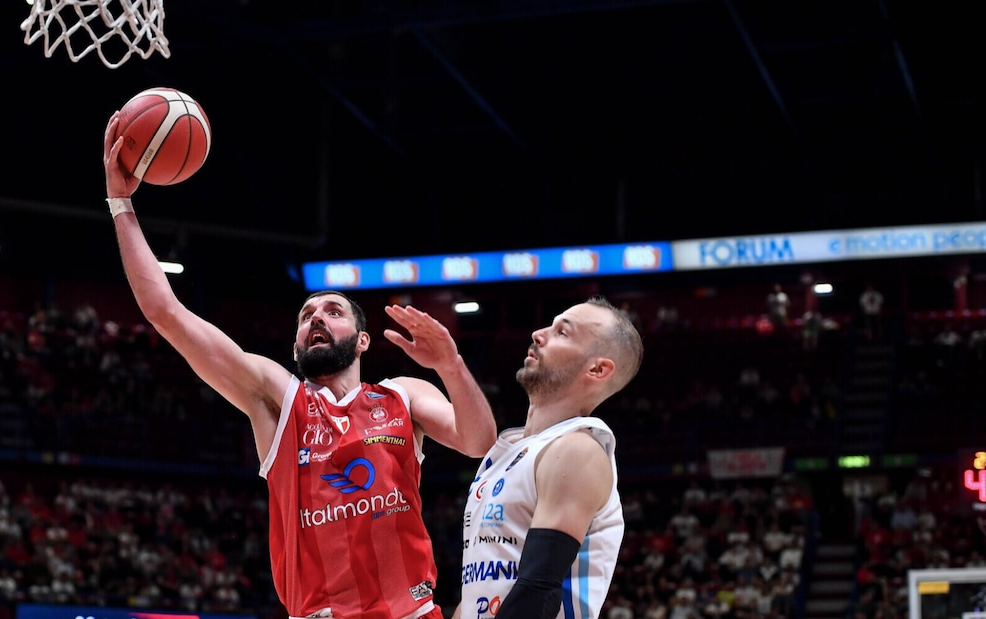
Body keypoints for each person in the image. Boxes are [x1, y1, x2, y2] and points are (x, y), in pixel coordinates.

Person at [102, 111, 498, 619]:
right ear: (294, 345)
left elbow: (480, 442)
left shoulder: (401, 395)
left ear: (362, 341)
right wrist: (121, 204)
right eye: (307, 313)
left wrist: (450, 364)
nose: (316, 318)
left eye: (333, 312)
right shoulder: (278, 400)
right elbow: (166, 313)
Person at [455, 296, 643, 619]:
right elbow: (476, 593)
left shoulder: (578, 449)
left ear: (597, 369)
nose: (538, 334)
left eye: (562, 333)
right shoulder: (504, 452)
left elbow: (538, 591)